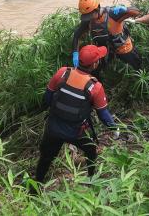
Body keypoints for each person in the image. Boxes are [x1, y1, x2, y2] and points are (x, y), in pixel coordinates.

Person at [34, 45, 118, 183]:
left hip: (53, 127)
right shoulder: (95, 87)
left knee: (45, 159)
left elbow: (47, 98)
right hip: (75, 132)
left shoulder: (62, 73)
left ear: (78, 59)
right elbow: (103, 115)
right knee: (91, 150)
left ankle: (35, 188)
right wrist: (116, 129)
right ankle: (90, 179)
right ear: (95, 64)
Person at [72, 0, 142, 70]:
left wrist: (126, 9)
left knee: (136, 67)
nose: (88, 18)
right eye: (86, 16)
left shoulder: (113, 14)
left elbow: (137, 12)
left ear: (97, 9)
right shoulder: (88, 20)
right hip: (104, 51)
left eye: (90, 15)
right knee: (98, 71)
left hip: (123, 48)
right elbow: (77, 36)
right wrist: (75, 53)